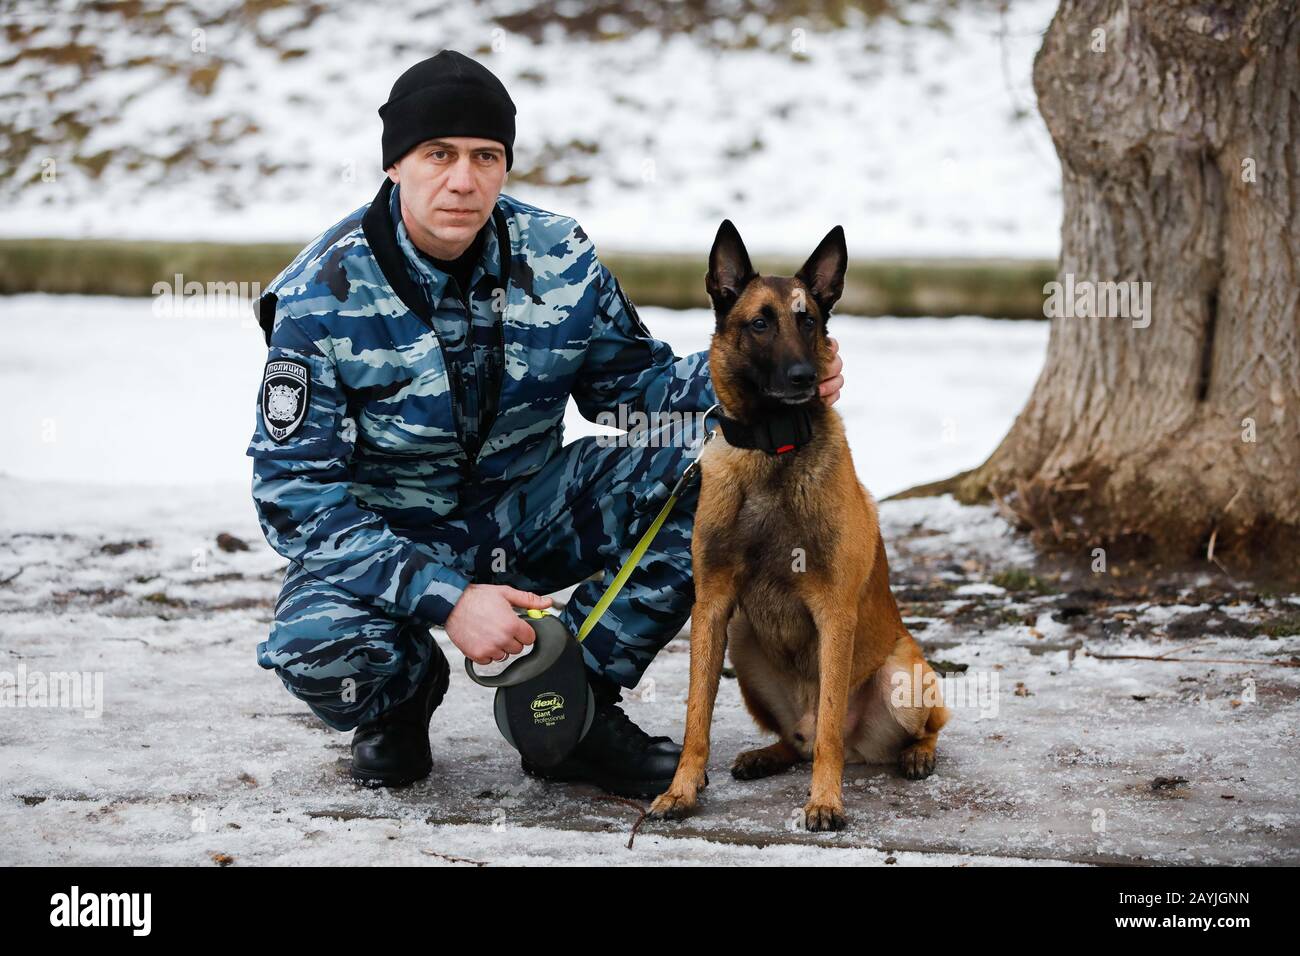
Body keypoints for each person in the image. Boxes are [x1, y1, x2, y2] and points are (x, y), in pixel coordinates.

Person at [246, 49, 843, 798]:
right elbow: (294, 499)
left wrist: (774, 371)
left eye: (485, 157)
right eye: (438, 154)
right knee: (315, 649)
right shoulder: (319, 293)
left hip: (529, 508)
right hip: (389, 534)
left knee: (711, 466)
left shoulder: (559, 256)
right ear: (395, 164)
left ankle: (570, 705)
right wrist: (445, 599)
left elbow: (631, 390)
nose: (463, 181)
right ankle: (399, 699)